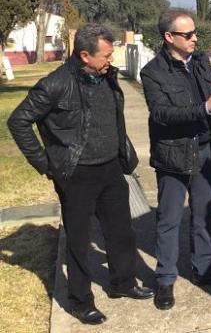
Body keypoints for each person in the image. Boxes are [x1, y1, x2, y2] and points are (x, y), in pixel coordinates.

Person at [7, 24, 153, 325]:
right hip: (76, 174)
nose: (110, 60)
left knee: (121, 232)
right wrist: (45, 163)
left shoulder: (107, 76)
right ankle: (79, 300)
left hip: (111, 167)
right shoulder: (55, 84)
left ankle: (123, 283)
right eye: (106, 55)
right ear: (85, 55)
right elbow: (18, 120)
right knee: (79, 240)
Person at [141, 8, 211, 311]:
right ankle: (165, 279)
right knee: (168, 220)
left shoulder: (201, 61)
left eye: (196, 33)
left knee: (203, 215)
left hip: (207, 150)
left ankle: (205, 269)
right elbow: (161, 114)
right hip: (173, 155)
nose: (195, 38)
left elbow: (209, 104)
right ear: (169, 37)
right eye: (188, 34)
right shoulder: (152, 72)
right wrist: (204, 107)